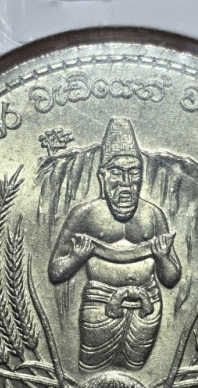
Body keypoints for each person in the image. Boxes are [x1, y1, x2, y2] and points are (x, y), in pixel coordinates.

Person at [48, 118, 182, 371]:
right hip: (100, 306)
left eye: (134, 173)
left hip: (147, 307)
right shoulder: (84, 215)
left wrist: (162, 257)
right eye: (117, 173)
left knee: (137, 370)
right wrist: (77, 257)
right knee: (90, 371)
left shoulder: (154, 215)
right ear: (103, 175)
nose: (126, 183)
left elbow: (171, 278)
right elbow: (55, 272)